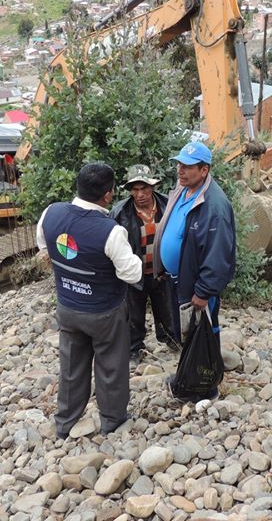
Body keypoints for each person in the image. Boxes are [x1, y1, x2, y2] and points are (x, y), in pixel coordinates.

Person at [36, 162, 142, 438]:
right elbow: (131, 274)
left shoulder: (51, 213)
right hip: (104, 311)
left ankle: (65, 422)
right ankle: (112, 419)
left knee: (71, 365)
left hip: (68, 306)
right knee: (111, 365)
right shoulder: (110, 231)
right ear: (108, 195)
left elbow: (44, 249)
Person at [154, 140, 236, 401]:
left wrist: (204, 290)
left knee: (204, 333)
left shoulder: (215, 206)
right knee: (188, 332)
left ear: (204, 170)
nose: (181, 170)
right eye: (179, 164)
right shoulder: (183, 190)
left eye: (188, 166)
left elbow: (219, 254)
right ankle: (189, 375)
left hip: (196, 285)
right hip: (179, 279)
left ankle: (205, 385)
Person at [109, 164, 175, 360]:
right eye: (135, 189)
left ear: (152, 187)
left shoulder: (168, 204)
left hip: (161, 271)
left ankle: (171, 339)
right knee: (133, 314)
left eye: (144, 188)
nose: (140, 194)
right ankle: (135, 348)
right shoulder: (120, 212)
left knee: (167, 309)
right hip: (134, 274)